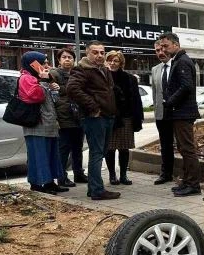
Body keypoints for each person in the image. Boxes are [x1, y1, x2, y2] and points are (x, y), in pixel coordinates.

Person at [66, 41, 120, 201]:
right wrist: (93, 107)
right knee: (97, 153)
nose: (99, 55)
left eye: (102, 52)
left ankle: (93, 188)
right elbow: (72, 89)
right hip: (95, 118)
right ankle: (97, 190)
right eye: (95, 52)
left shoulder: (103, 69)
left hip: (107, 116)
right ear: (87, 53)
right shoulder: (82, 69)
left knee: (100, 152)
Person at [18, 51, 68, 194]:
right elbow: (35, 96)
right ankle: (37, 183)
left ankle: (49, 182)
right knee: (39, 156)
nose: (47, 65)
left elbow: (53, 101)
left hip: (49, 123)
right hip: (36, 125)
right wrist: (45, 83)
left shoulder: (41, 78)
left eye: (47, 62)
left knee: (51, 155)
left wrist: (54, 89)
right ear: (33, 64)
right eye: (43, 63)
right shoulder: (26, 78)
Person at [158, 32, 201, 196]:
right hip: (179, 112)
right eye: (161, 46)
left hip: (183, 112)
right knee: (184, 148)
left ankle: (193, 185)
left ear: (176, 45)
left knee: (187, 149)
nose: (163, 49)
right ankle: (187, 181)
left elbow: (186, 86)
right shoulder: (178, 60)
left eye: (166, 46)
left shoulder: (182, 61)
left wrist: (170, 101)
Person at [104, 51, 144, 185]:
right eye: (110, 60)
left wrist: (138, 118)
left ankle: (123, 175)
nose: (112, 63)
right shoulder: (102, 77)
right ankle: (112, 175)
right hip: (109, 117)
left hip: (126, 117)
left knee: (124, 147)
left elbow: (136, 100)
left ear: (121, 63)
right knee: (110, 148)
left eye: (115, 61)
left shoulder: (130, 78)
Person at [50, 48, 88, 187]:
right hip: (63, 116)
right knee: (64, 148)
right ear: (59, 60)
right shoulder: (54, 74)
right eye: (64, 57)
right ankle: (62, 177)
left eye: (70, 57)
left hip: (78, 115)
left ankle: (79, 173)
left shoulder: (77, 73)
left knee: (78, 147)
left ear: (74, 60)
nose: (67, 59)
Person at [150, 41, 174, 185]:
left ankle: (188, 176)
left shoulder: (177, 66)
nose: (160, 53)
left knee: (183, 145)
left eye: (163, 49)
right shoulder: (155, 69)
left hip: (177, 113)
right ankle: (166, 173)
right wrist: (156, 111)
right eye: (157, 50)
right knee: (165, 145)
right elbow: (155, 93)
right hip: (161, 114)